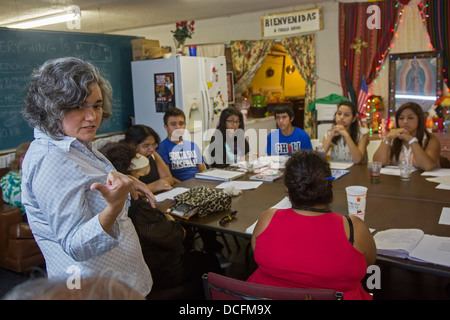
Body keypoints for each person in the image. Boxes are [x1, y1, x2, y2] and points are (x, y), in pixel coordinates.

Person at [20, 57, 154, 297]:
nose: (92, 116)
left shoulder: (74, 144)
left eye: (97, 105)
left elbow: (84, 182)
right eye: (78, 106)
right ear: (50, 107)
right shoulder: (50, 159)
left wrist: (126, 180)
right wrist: (113, 207)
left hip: (122, 282)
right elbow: (75, 244)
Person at [248, 150, 376, 300]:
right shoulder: (354, 229)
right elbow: (369, 263)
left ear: (288, 190)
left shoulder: (267, 219)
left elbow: (256, 250)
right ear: (330, 186)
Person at [99, 142, 222, 293]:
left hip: (129, 271)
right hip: (160, 272)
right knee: (209, 261)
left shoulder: (107, 202)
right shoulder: (137, 208)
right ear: (132, 169)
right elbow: (175, 236)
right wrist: (168, 218)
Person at [373, 102, 441, 171]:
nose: (405, 121)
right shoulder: (394, 138)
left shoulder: (430, 139)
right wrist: (387, 138)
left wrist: (412, 141)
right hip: (396, 180)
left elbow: (427, 166)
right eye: (401, 118)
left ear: (419, 120)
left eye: (410, 118)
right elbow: (378, 163)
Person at [122, 124, 180, 193]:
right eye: (146, 146)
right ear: (132, 146)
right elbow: (131, 193)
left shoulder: (153, 155)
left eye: (154, 145)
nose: (152, 149)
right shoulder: (125, 162)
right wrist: (153, 187)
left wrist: (146, 189)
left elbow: (169, 178)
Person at [157, 107, 206, 181]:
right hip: (178, 187)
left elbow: (203, 171)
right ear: (166, 127)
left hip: (199, 184)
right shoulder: (161, 148)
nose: (178, 127)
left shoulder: (193, 146)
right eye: (173, 124)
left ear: (185, 125)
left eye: (181, 123)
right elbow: (167, 178)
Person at [1, 142, 30, 220]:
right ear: (18, 160)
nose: (28, 160)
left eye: (30, 157)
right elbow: (18, 199)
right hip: (27, 213)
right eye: (24, 157)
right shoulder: (10, 178)